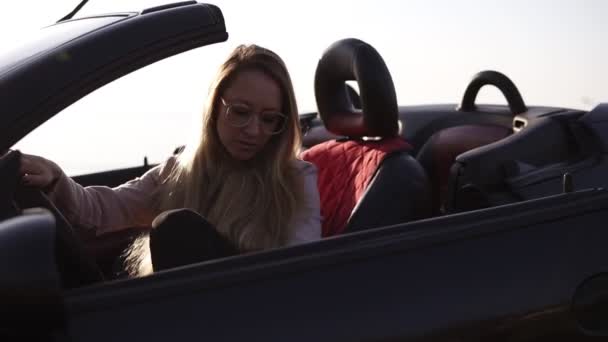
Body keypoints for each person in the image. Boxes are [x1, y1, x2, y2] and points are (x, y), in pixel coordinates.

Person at [18, 44, 322, 275]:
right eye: (240, 112)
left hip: (245, 318)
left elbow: (299, 273)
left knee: (177, 228)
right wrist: (55, 177)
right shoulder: (179, 172)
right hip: (174, 315)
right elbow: (100, 210)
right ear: (214, 107)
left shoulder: (294, 180)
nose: (254, 131)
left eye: (270, 119)